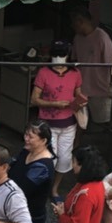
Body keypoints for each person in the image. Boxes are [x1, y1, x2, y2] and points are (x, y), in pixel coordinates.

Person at [30, 40, 87, 197]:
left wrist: (81, 102)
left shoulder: (75, 73)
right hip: (48, 125)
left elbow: (78, 94)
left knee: (64, 159)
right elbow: (34, 99)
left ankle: (54, 188)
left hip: (69, 123)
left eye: (61, 54)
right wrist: (54, 103)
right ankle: (43, 188)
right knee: (49, 159)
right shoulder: (44, 73)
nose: (59, 57)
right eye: (56, 53)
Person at [54, 146, 107, 223]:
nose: (72, 165)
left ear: (82, 165)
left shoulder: (86, 194)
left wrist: (61, 215)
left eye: (74, 161)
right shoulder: (95, 184)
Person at [70, 9, 112, 132]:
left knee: (104, 122)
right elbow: (74, 60)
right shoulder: (77, 38)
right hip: (82, 89)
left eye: (74, 24)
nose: (73, 27)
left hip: (100, 88)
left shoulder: (102, 37)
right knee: (79, 122)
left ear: (80, 22)